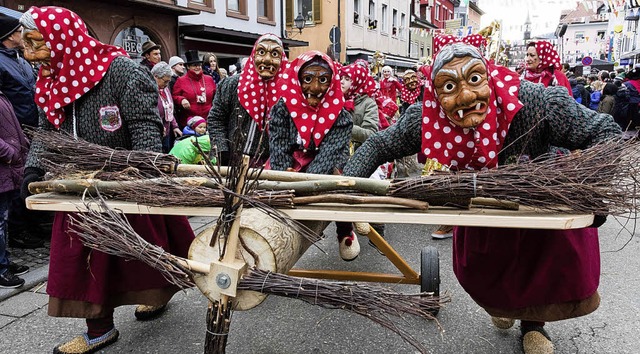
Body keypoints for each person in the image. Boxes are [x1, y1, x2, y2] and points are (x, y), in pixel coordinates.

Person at [342, 36, 621, 354]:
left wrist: (588, 185)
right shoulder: (426, 117)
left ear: (488, 75)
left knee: (540, 268)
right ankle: (504, 306)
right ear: (436, 93)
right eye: (449, 88)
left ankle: (534, 325)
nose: (465, 96)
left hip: (536, 205)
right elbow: (380, 144)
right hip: (482, 208)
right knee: (486, 267)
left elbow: (603, 131)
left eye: (474, 79)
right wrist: (345, 188)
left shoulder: (533, 103)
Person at [19, 7, 195, 354]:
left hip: (124, 181)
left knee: (144, 248)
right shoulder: (49, 79)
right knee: (86, 258)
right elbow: (44, 133)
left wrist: (143, 178)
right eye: (26, 45)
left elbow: (146, 130)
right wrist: (34, 167)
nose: (30, 55)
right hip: (76, 186)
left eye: (37, 45)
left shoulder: (121, 73)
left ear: (62, 40)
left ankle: (156, 297)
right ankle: (99, 328)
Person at [268, 51, 357, 261]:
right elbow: (278, 144)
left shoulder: (340, 116)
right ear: (297, 79)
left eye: (323, 80)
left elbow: (329, 156)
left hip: (325, 167)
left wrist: (303, 188)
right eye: (308, 79)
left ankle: (345, 229)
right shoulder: (283, 108)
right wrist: (283, 176)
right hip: (292, 164)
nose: (315, 88)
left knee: (339, 185)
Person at [0, 12, 47, 249]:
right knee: (16, 181)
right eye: (20, 32)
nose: (24, 35)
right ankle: (18, 232)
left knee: (31, 177)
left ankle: (33, 223)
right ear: (9, 36)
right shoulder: (1, 62)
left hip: (33, 129)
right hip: (13, 133)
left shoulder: (22, 60)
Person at [208, 33, 288, 166]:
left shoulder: (288, 91)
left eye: (274, 54)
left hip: (269, 165)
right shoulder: (232, 85)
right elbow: (216, 118)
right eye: (261, 52)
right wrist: (222, 150)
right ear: (253, 55)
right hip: (232, 160)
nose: (267, 60)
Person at [0, 89, 30, 288]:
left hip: (8, 167)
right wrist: (10, 152)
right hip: (4, 164)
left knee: (4, 218)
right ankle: (1, 270)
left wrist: (23, 144)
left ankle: (5, 261)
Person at [172, 49, 216, 129]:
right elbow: (174, 96)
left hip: (208, 122)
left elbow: (216, 96)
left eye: (199, 65)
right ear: (188, 67)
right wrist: (181, 100)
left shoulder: (209, 79)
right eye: (194, 65)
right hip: (190, 123)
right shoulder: (181, 80)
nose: (197, 67)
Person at [151, 61, 181, 153]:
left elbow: (170, 108)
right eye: (165, 81)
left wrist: (175, 126)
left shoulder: (165, 89)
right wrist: (159, 126)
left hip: (166, 132)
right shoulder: (149, 90)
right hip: (154, 133)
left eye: (169, 81)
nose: (167, 84)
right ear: (156, 77)